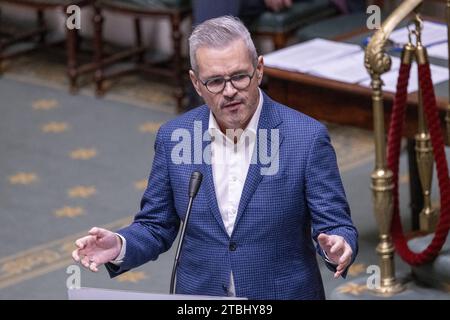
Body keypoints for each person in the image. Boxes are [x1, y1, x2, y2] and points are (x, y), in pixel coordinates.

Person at [72, 16, 358, 300]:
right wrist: (120, 245)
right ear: (196, 83)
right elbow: (156, 225)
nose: (230, 91)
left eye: (239, 76)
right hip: (200, 297)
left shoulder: (306, 138)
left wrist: (339, 246)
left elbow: (336, 225)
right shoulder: (175, 136)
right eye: (215, 82)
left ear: (259, 69)